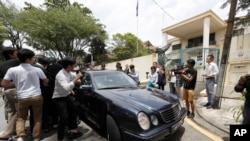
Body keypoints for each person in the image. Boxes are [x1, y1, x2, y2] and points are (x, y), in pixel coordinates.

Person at [1, 49, 49, 141]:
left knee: (21, 118)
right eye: (33, 57)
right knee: (37, 117)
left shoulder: (12, 70)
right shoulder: (37, 69)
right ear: (29, 59)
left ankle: (21, 137)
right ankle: (36, 137)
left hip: (23, 97)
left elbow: (4, 83)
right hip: (37, 96)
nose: (34, 59)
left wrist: (16, 83)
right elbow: (46, 80)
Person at [52, 57, 83, 141]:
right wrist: (77, 78)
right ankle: (60, 138)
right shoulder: (60, 75)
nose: (74, 67)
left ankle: (73, 130)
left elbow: (77, 80)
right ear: (69, 66)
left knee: (74, 109)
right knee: (64, 117)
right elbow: (66, 87)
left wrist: (78, 79)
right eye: (73, 65)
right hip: (59, 97)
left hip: (67, 96)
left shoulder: (69, 72)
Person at [0, 47, 20, 139]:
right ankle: (6, 133)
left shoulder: (1, 65)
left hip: (6, 90)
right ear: (10, 54)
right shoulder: (17, 62)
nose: (17, 54)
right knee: (19, 111)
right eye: (15, 53)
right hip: (16, 90)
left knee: (11, 111)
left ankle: (13, 131)